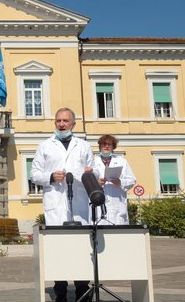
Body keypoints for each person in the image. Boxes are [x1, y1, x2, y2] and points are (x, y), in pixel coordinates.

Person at [31, 107, 96, 302]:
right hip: (56, 204)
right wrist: (50, 176)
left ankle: (82, 291)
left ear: (73, 124)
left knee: (82, 251)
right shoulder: (45, 146)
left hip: (80, 205)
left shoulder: (83, 146)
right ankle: (60, 292)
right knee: (58, 251)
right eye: (58, 120)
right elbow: (34, 174)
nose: (61, 124)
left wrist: (89, 173)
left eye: (65, 121)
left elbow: (95, 173)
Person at [93, 134, 137, 225]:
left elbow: (132, 180)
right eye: (104, 144)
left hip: (117, 205)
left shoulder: (122, 161)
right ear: (100, 146)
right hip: (99, 204)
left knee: (118, 234)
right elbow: (87, 182)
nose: (106, 146)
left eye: (109, 144)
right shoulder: (93, 162)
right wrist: (97, 183)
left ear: (113, 147)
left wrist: (120, 182)